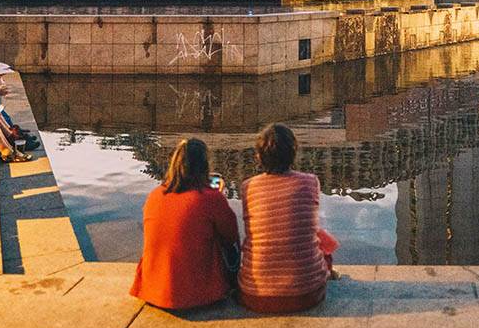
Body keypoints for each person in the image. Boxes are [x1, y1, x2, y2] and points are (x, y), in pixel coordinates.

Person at [130, 138, 239, 311]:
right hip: (199, 295)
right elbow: (231, 236)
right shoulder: (211, 198)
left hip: (152, 292)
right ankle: (233, 285)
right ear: (204, 166)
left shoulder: (154, 195)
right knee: (229, 245)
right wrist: (218, 201)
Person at [238, 123, 337, 314]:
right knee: (320, 237)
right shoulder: (309, 182)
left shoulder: (248, 187)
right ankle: (328, 273)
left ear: (259, 157)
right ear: (293, 153)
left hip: (254, 295)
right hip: (306, 295)